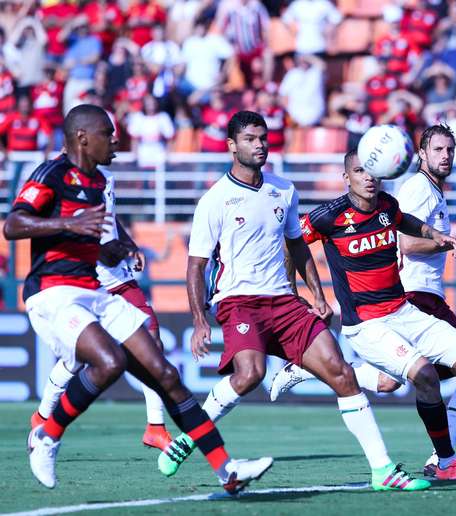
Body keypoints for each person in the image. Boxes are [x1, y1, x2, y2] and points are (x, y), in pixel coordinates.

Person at [157, 111, 429, 492]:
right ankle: (191, 436)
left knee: (342, 374)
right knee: (249, 374)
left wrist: (317, 297)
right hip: (239, 302)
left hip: (285, 303)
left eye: (263, 137)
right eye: (250, 139)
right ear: (232, 145)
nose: (260, 144)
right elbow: (195, 265)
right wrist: (200, 320)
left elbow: (298, 247)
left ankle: (382, 470)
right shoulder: (214, 200)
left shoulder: (283, 190)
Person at [5, 104, 271, 493]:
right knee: (108, 361)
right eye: (108, 133)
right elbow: (13, 223)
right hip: (52, 293)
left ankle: (226, 471)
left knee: (166, 375)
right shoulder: (53, 173)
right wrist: (68, 222)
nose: (116, 140)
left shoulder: (99, 182)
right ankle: (47, 436)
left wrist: (118, 250)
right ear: (82, 138)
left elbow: (100, 242)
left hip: (93, 290)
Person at [271, 126, 456, 478]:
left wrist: (439, 235)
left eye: (371, 170)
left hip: (403, 311)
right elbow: (293, 241)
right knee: (424, 375)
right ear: (345, 177)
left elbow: (405, 222)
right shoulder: (330, 216)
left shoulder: (388, 206)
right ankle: (447, 462)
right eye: (359, 171)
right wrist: (301, 293)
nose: (368, 177)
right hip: (367, 323)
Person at [29, 167, 173, 450]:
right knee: (77, 358)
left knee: (152, 341)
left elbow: (109, 216)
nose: (115, 142)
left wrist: (129, 245)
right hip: (88, 278)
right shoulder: (67, 176)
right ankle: (42, 416)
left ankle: (155, 426)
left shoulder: (104, 173)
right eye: (108, 135)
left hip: (117, 275)